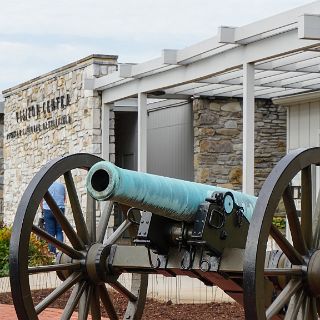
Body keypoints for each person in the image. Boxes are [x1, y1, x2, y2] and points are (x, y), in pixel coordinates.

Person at [41, 181, 66, 254]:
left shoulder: (46, 185)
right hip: (60, 209)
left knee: (50, 233)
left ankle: (52, 253)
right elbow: (64, 199)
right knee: (59, 231)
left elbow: (41, 200)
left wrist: (43, 210)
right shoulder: (61, 185)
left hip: (47, 209)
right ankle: (60, 251)